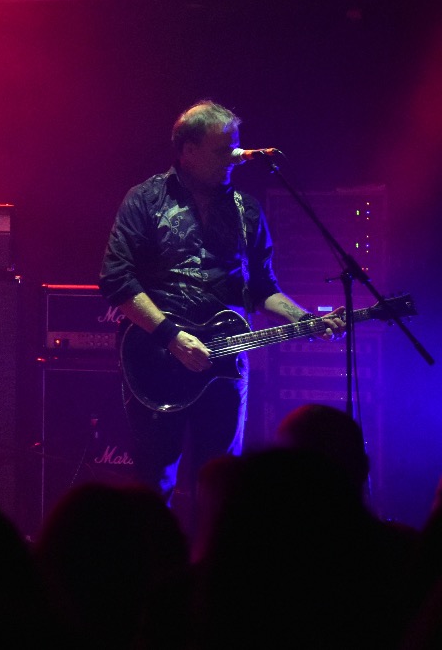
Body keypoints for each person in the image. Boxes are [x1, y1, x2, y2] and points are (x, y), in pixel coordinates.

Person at [98, 99, 343, 519]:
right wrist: (172, 337)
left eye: (235, 147)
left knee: (223, 485)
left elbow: (263, 288)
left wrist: (304, 319)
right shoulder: (145, 200)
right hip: (158, 357)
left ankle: (215, 557)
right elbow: (116, 279)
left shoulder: (247, 210)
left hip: (227, 361)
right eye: (222, 150)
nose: (234, 157)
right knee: (154, 481)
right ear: (188, 150)